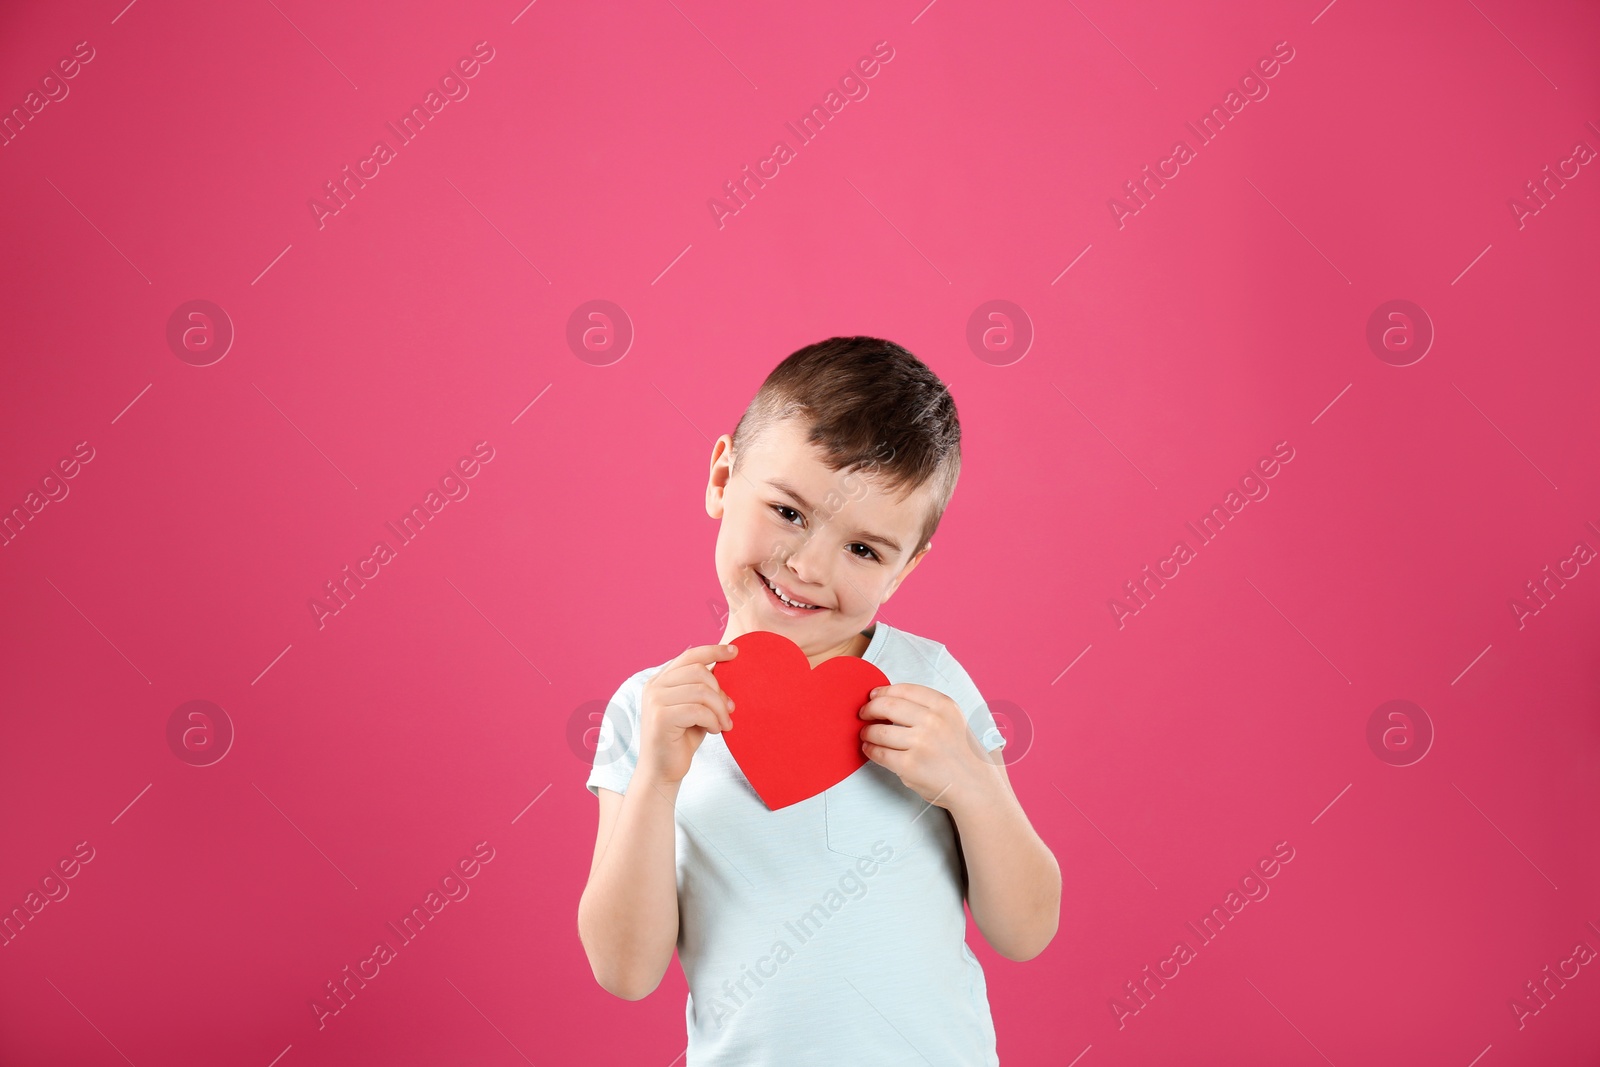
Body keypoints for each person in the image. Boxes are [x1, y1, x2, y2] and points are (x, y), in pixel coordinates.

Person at [578, 336, 1060, 1064]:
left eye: (864, 550)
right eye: (788, 511)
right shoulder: (649, 708)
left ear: (905, 569)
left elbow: (1026, 929)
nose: (806, 566)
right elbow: (624, 970)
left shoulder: (930, 682)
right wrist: (655, 778)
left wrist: (970, 787)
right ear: (721, 476)